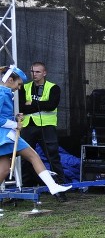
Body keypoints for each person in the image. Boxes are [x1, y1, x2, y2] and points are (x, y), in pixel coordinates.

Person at [0, 66, 71, 196]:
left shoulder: (4, 93)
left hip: (6, 135)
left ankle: (53, 186)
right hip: (4, 136)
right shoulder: (1, 93)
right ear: (10, 80)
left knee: (4, 169)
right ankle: (53, 186)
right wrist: (15, 124)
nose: (19, 88)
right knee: (33, 156)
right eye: (18, 84)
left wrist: (15, 118)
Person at [19, 62, 68, 201]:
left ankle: (60, 189)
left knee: (53, 157)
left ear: (44, 73)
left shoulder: (53, 88)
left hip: (46, 126)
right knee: (26, 158)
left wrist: (32, 104)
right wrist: (40, 105)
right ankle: (26, 189)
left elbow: (52, 106)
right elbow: (22, 107)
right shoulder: (24, 87)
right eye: (32, 71)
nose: (34, 74)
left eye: (38, 72)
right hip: (28, 126)